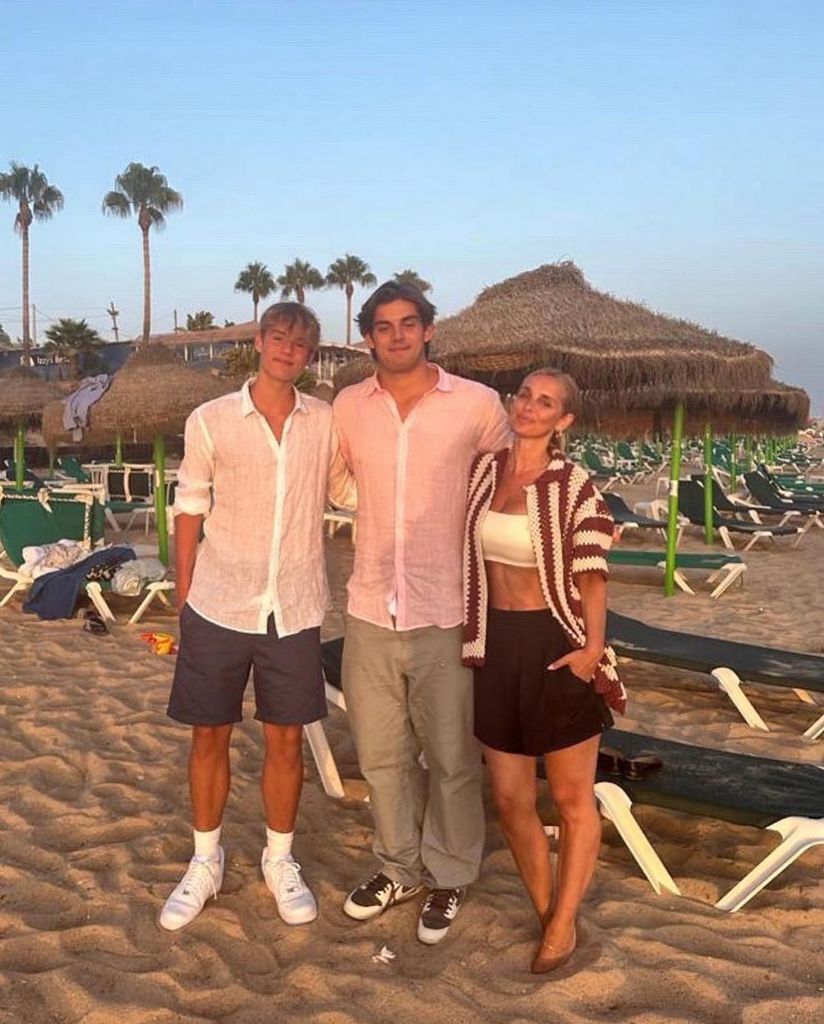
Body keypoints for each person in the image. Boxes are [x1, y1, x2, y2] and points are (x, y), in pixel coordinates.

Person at [333, 280, 510, 945]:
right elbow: (335, 475)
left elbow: (507, 481)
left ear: (429, 330)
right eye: (384, 326)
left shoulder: (476, 404)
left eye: (409, 323)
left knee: (451, 756)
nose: (398, 335)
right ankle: (397, 867)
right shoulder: (348, 406)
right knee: (380, 756)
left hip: (447, 605)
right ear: (368, 337)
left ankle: (450, 874)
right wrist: (371, 503)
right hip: (370, 604)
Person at [159, 302, 333, 932]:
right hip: (218, 600)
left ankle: (279, 858)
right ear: (260, 342)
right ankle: (206, 859)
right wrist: (184, 597)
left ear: (310, 355)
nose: (288, 350)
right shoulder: (209, 421)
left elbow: (349, 490)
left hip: (294, 602)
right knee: (210, 733)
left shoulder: (325, 423)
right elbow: (189, 507)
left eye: (301, 344)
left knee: (287, 738)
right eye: (279, 338)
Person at [462, 368, 626, 974]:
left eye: (546, 402)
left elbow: (591, 573)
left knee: (569, 797)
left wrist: (592, 649)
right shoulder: (484, 472)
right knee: (509, 798)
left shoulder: (572, 484)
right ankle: (551, 910)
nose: (529, 407)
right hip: (494, 641)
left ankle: (560, 927)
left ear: (564, 422)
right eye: (525, 395)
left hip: (556, 641)